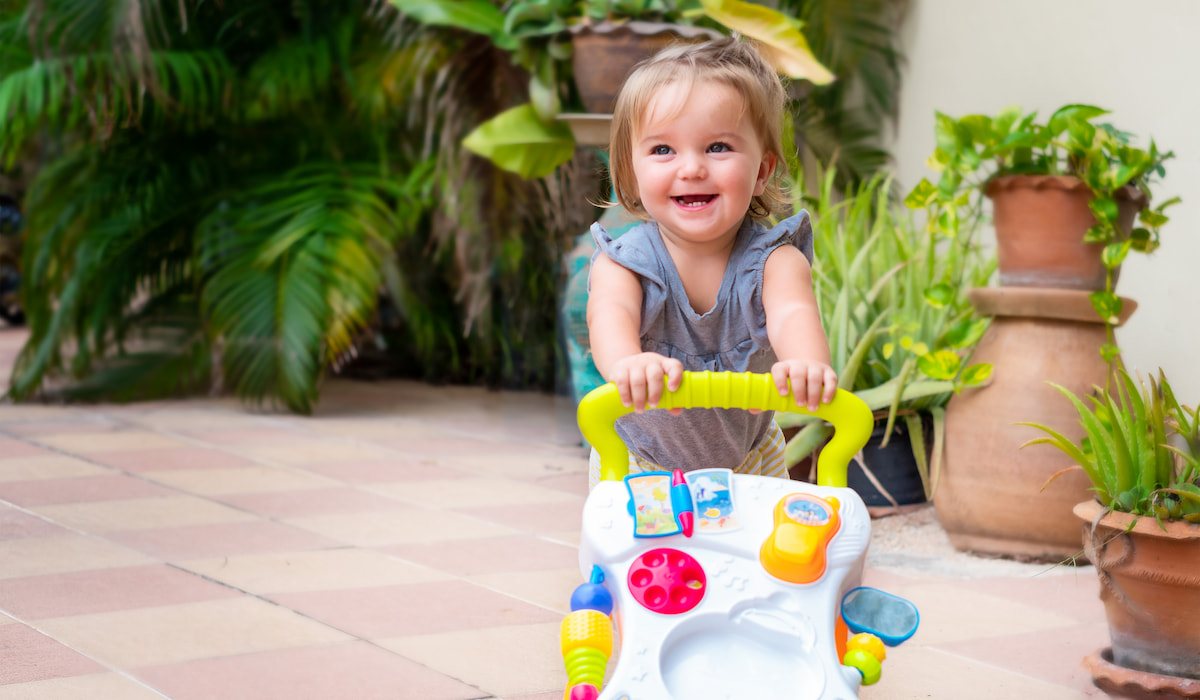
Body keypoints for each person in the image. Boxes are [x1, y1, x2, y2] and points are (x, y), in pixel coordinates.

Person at [585, 36, 837, 489]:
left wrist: (805, 363)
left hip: (751, 459)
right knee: (640, 556)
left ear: (761, 171)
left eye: (717, 147)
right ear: (631, 173)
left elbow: (792, 313)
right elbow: (610, 315)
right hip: (641, 462)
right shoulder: (625, 265)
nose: (692, 168)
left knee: (767, 555)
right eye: (663, 150)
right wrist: (628, 363)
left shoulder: (775, 262)